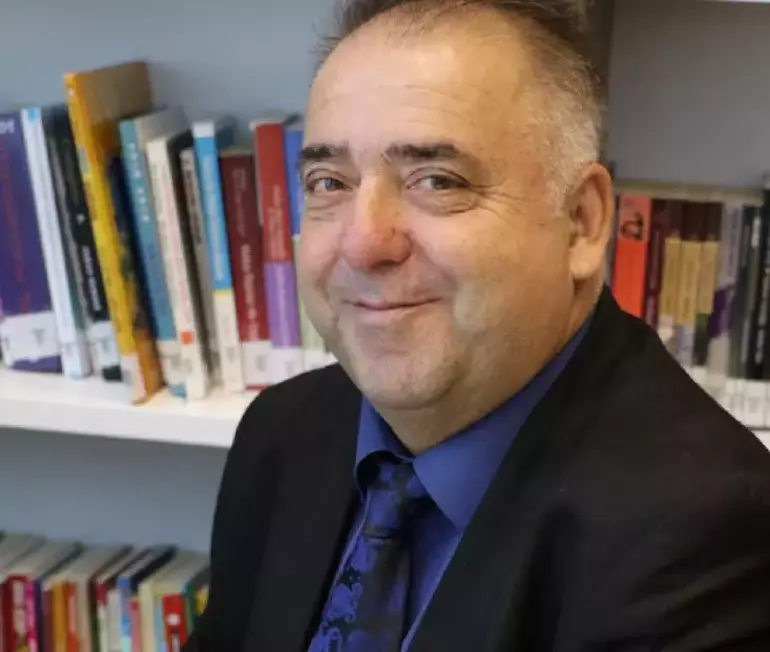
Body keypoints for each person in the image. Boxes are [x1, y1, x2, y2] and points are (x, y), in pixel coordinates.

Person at [185, 0, 770, 650]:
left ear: (581, 222)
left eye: (437, 181)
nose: (362, 242)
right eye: (328, 183)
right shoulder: (281, 433)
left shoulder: (705, 531)